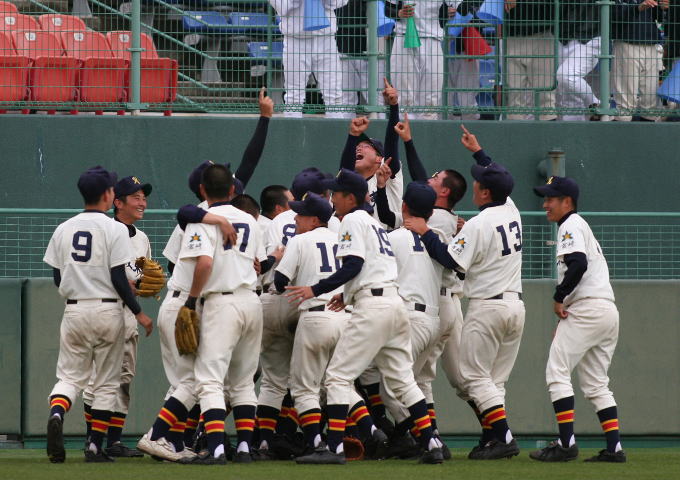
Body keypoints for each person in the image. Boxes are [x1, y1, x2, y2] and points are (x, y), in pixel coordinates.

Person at [286, 169, 444, 465]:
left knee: (336, 377)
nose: (333, 198)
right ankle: (430, 443)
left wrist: (316, 288)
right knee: (401, 379)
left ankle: (332, 449)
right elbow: (371, 267)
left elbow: (354, 265)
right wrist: (345, 295)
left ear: (350, 197)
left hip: (373, 307)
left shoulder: (352, 220)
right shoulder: (372, 222)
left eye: (337, 193)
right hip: (393, 303)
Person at [403, 126, 524, 460]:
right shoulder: (510, 209)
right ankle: (492, 437)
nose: (476, 183)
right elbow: (501, 180)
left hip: (483, 306)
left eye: (479, 181)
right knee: (490, 382)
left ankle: (502, 438)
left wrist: (426, 232)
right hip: (515, 305)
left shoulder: (477, 224)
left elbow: (451, 262)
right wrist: (478, 151)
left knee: (470, 378)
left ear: (484, 193)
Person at [43, 166, 153, 463]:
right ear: (109, 195)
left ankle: (57, 413)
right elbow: (120, 277)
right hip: (108, 310)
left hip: (75, 309)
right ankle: (94, 446)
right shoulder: (115, 228)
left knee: (69, 378)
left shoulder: (63, 228)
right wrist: (140, 313)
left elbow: (57, 278)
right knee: (106, 383)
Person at [274, 192, 389, 456]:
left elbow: (280, 282)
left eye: (301, 214)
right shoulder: (342, 236)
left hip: (315, 317)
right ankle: (370, 428)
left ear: (314, 220)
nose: (296, 217)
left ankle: (316, 443)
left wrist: (282, 263)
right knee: (340, 382)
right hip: (345, 315)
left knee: (305, 388)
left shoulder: (300, 240)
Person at [176, 164, 268, 465]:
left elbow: (203, 264)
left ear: (202, 191)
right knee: (242, 382)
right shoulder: (251, 220)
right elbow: (259, 263)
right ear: (233, 190)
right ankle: (243, 448)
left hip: (221, 302)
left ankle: (215, 449)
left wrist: (190, 301)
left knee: (209, 380)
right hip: (251, 301)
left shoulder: (203, 221)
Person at [530, 176, 625, 463]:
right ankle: (614, 449)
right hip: (606, 311)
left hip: (586, 309)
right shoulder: (580, 225)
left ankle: (566, 443)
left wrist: (559, 296)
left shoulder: (570, 224)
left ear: (567, 202)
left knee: (557, 372)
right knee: (597, 383)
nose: (545, 204)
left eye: (551, 199)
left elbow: (578, 265)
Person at [254, 169, 339, 459]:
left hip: (273, 298)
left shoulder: (278, 220)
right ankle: (309, 437)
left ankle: (266, 441)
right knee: (319, 380)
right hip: (312, 301)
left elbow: (273, 272)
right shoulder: (335, 226)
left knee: (273, 380)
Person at [80, 176, 153, 458]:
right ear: (117, 202)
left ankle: (113, 441)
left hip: (129, 317)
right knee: (98, 380)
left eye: (143, 197)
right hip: (106, 312)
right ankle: (92, 439)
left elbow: (141, 279)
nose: (142, 202)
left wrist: (147, 286)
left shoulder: (142, 238)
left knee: (124, 378)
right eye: (135, 197)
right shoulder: (107, 231)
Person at [270, 0, 350, 117]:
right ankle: (293, 134)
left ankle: (337, 133)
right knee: (294, 96)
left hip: (326, 38)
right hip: (295, 38)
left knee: (334, 94)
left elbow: (340, 2)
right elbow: (281, 6)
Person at [338, 81, 401, 227]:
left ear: (380, 158)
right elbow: (344, 170)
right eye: (357, 147)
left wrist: (393, 107)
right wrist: (353, 135)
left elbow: (392, 144)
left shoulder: (388, 176)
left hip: (386, 243)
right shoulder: (349, 183)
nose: (358, 149)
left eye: (366, 146)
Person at [386, 1, 451, 120]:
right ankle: (403, 132)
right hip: (404, 36)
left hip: (433, 38)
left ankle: (427, 134)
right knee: (404, 96)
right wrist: (399, 13)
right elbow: (388, 9)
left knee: (431, 97)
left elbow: (457, 9)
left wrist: (449, 13)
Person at [611, 0, 667, 121]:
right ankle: (619, 138)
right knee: (625, 104)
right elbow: (613, 16)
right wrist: (636, 8)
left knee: (650, 104)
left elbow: (659, 19)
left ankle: (648, 138)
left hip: (651, 44)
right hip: (626, 43)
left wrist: (663, 8)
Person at [504, 0, 557, 121]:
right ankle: (515, 136)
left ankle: (549, 136)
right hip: (513, 33)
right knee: (513, 94)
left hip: (542, 32)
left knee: (546, 94)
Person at [556, 0, 602, 121]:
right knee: (568, 93)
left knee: (566, 75)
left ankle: (594, 103)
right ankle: (572, 134)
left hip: (590, 36)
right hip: (563, 36)